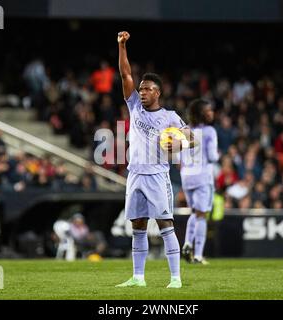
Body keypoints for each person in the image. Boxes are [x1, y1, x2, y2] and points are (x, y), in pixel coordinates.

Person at [115, 31, 195, 289]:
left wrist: (180, 142)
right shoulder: (134, 106)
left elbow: (193, 138)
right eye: (141, 89)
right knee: (137, 225)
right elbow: (126, 74)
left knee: (165, 225)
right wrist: (122, 47)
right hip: (135, 174)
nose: (142, 92)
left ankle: (176, 279)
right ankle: (138, 277)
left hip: (158, 176)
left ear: (158, 92)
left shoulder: (170, 117)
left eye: (147, 89)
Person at [180, 99, 219, 264]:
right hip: (203, 176)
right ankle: (198, 255)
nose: (212, 113)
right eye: (208, 110)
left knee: (194, 212)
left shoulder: (185, 130)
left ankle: (187, 244)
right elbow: (211, 156)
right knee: (201, 215)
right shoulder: (210, 131)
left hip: (186, 176)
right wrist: (219, 156)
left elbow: (177, 156)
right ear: (202, 113)